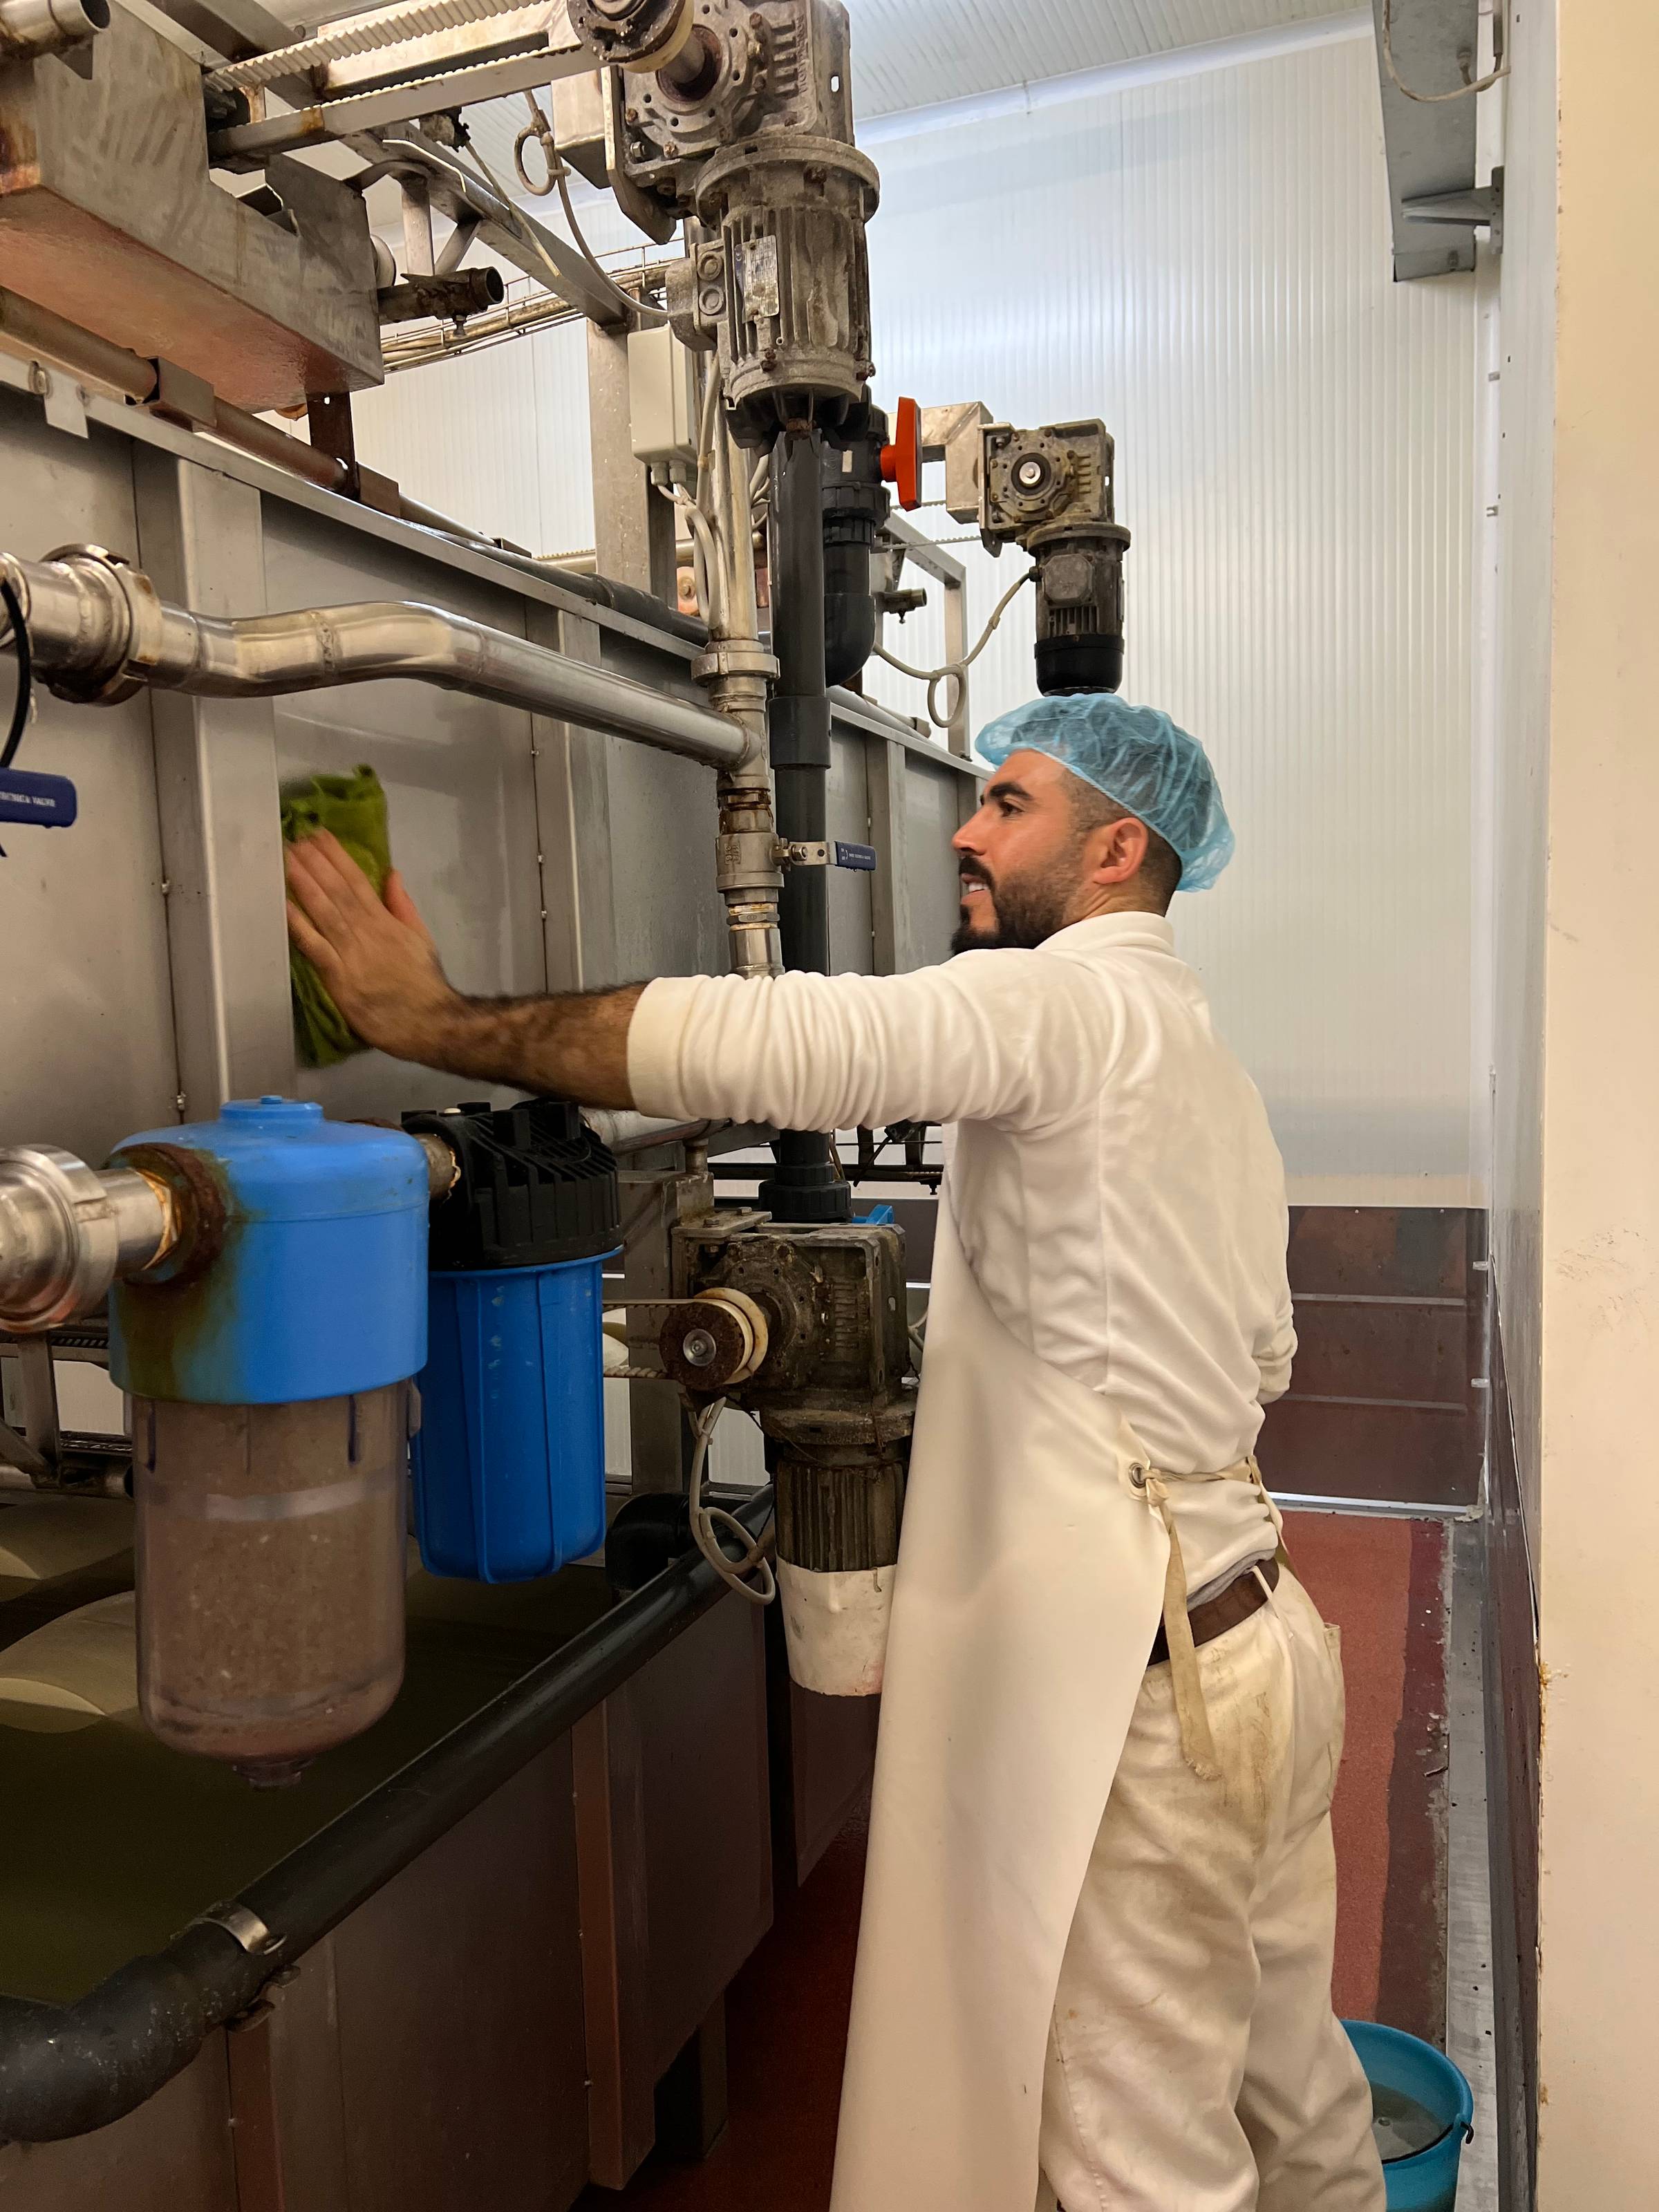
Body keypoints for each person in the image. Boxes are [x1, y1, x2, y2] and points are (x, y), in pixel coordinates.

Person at [285, 692, 1383, 2212]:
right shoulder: (1210, 1070)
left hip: (1155, 1703)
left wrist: (436, 1018)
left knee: (1142, 2159)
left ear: (1121, 847)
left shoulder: (1070, 1002)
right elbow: (1259, 1356)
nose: (967, 829)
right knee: (1293, 2081)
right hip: (1263, 1640)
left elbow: (794, 1039)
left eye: (1010, 803)